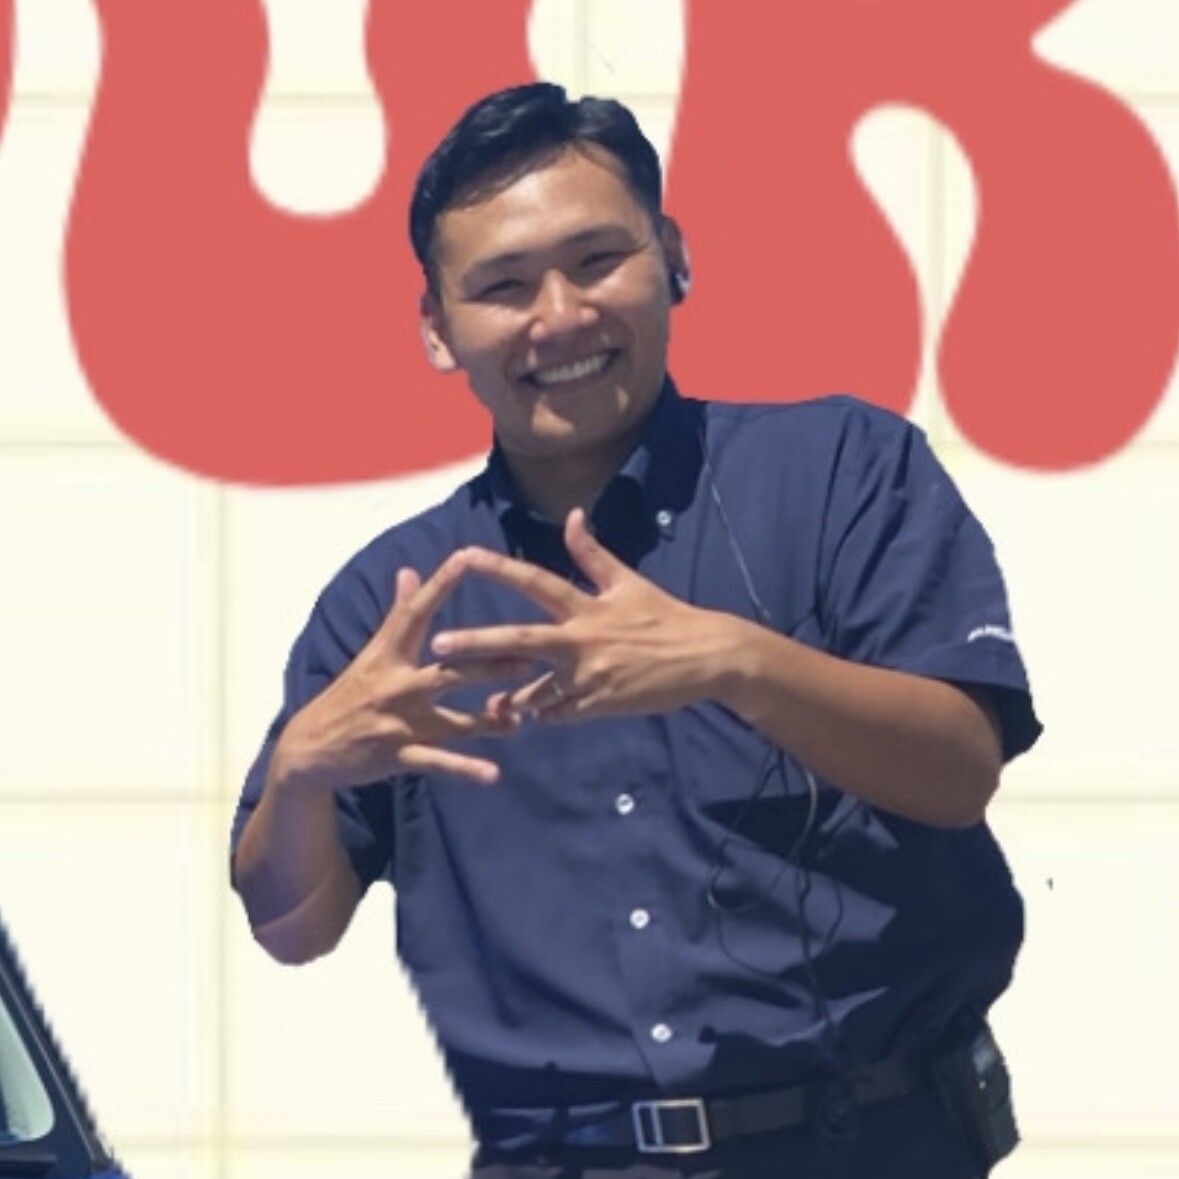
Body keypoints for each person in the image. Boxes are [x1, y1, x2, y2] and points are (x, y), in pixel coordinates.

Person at [230, 82, 1042, 1178]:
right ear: (436, 328)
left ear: (673, 257)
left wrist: (738, 662)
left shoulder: (843, 469)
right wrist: (302, 776)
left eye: (597, 259)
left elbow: (958, 771)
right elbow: (291, 928)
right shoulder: (395, 598)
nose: (559, 315)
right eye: (503, 286)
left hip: (872, 1142)